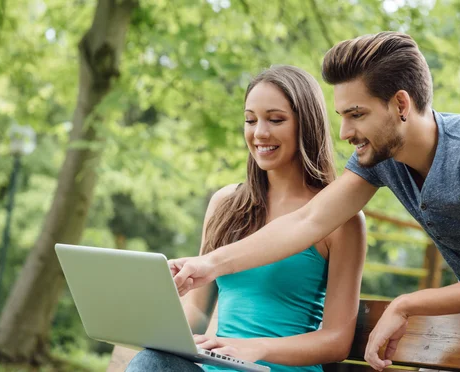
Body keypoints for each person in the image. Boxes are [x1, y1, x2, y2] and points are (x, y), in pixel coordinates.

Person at [170, 32, 460, 371]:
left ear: (400, 104)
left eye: (357, 115)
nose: (345, 133)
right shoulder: (382, 160)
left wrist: (406, 303)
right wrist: (209, 264)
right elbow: (307, 221)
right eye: (342, 116)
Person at [125, 65, 367, 372]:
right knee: (152, 361)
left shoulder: (342, 219)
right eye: (250, 120)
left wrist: (257, 347)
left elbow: (336, 340)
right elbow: (198, 310)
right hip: (213, 368)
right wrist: (160, 331)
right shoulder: (226, 205)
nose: (259, 133)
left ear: (305, 124)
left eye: (275, 119)